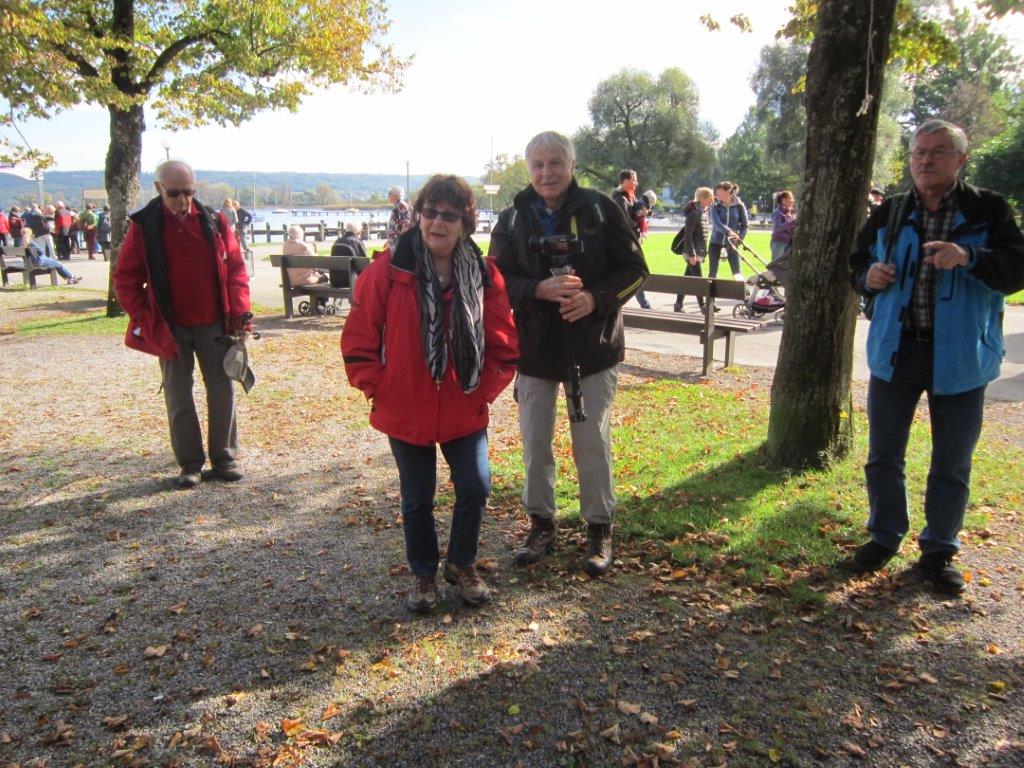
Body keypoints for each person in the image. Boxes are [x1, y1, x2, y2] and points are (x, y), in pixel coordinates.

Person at [848, 119, 1024, 595]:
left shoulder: (988, 210)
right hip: (896, 352)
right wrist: (869, 278)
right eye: (919, 152)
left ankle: (938, 551)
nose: (926, 160)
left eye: (938, 152)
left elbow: (1016, 271)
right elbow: (855, 263)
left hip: (961, 357)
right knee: (883, 455)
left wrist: (968, 257)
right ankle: (884, 537)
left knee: (952, 460)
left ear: (961, 159)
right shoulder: (891, 210)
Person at [342, 174, 519, 613]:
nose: (437, 222)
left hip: (464, 403)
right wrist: (379, 387)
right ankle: (423, 572)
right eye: (430, 212)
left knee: (475, 486)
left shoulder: (483, 274)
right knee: (417, 497)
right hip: (404, 406)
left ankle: (461, 563)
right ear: (418, 215)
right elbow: (360, 338)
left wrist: (483, 392)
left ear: (465, 223)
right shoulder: (389, 270)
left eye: (449, 215)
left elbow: (503, 343)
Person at [489, 130, 648, 576]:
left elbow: (637, 270)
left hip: (592, 348)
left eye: (555, 162)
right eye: (538, 165)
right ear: (529, 169)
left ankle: (599, 527)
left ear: (572, 165)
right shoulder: (513, 219)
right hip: (535, 350)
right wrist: (537, 289)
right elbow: (495, 282)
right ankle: (541, 524)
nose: (547, 172)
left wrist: (595, 299)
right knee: (535, 442)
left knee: (592, 442)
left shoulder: (600, 208)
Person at [114, 160, 251, 490]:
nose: (182, 200)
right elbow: (126, 278)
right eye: (174, 193)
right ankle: (190, 463)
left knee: (222, 389)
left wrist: (241, 315)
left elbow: (236, 270)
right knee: (177, 394)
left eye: (188, 192)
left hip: (214, 322)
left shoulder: (214, 221)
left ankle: (224, 458)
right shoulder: (144, 226)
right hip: (170, 325)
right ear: (159, 189)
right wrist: (145, 319)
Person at [612, 169, 651, 309]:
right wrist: (637, 223)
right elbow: (623, 221)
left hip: (631, 241)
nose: (636, 183)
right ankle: (643, 303)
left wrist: (644, 213)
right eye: (634, 180)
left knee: (635, 269)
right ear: (625, 181)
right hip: (625, 243)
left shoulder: (630, 197)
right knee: (637, 269)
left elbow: (635, 213)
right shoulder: (620, 199)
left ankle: (642, 303)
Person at [671, 186, 714, 313]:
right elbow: (688, 235)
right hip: (692, 252)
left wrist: (703, 253)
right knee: (699, 280)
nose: (712, 200)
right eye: (710, 197)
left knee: (687, 279)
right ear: (703, 198)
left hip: (697, 251)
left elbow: (703, 235)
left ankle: (678, 304)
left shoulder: (703, 212)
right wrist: (692, 254)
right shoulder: (694, 213)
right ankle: (703, 306)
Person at [283, 224, 330, 314]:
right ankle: (321, 305)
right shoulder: (303, 245)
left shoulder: (285, 244)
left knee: (318, 276)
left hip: (291, 279)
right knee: (323, 278)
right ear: (300, 234)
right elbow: (316, 260)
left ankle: (316, 304)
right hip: (304, 279)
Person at [708, 181, 748, 280]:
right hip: (715, 243)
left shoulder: (739, 206)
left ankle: (741, 290)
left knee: (737, 273)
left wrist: (739, 238)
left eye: (719, 190)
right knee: (712, 274)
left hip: (732, 245)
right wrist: (729, 232)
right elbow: (717, 224)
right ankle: (710, 291)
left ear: (728, 191)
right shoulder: (715, 206)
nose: (716, 193)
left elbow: (745, 226)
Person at [385, 186, 412, 250]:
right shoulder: (398, 205)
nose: (388, 196)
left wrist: (400, 239)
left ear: (395, 195)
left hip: (398, 239)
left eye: (389, 194)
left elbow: (405, 223)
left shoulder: (401, 205)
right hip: (395, 239)